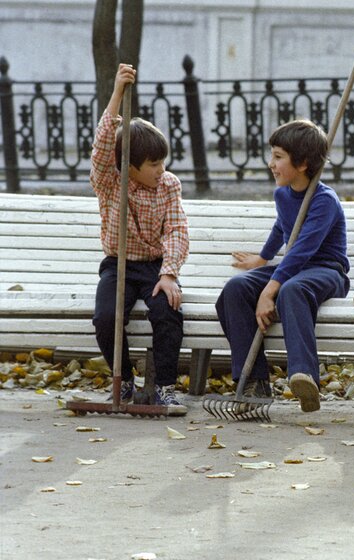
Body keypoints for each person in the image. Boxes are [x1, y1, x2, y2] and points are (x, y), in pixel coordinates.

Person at [216, 119, 350, 413]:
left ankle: (305, 377)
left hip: (326, 270)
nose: (271, 163)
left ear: (302, 163)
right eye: (272, 155)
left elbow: (301, 251)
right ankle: (254, 382)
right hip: (293, 270)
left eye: (278, 157)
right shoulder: (282, 193)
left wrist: (268, 291)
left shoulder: (324, 200)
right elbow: (282, 226)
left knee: (291, 289)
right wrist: (263, 259)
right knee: (235, 289)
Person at [90, 63, 189, 415]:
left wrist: (169, 273)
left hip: (154, 268)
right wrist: (117, 92)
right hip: (117, 266)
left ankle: (163, 386)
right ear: (129, 165)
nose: (161, 169)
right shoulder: (110, 181)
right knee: (105, 317)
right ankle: (125, 380)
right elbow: (103, 148)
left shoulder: (168, 185)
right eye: (152, 163)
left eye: (163, 161)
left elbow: (177, 231)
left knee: (167, 310)